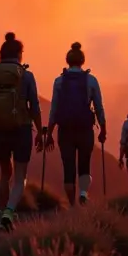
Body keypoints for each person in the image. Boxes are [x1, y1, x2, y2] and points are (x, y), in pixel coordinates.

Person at [0, 32, 43, 231]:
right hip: (21, 129)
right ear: (20, 54)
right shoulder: (26, 75)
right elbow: (35, 106)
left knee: (4, 173)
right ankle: (9, 212)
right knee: (20, 176)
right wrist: (40, 131)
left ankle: (2, 216)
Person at [45, 42, 106, 206]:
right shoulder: (91, 80)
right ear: (82, 61)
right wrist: (103, 129)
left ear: (67, 60)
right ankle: (84, 193)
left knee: (68, 167)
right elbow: (99, 107)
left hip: (65, 130)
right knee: (85, 163)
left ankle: (72, 205)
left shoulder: (59, 81)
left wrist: (49, 133)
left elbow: (54, 109)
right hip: (85, 129)